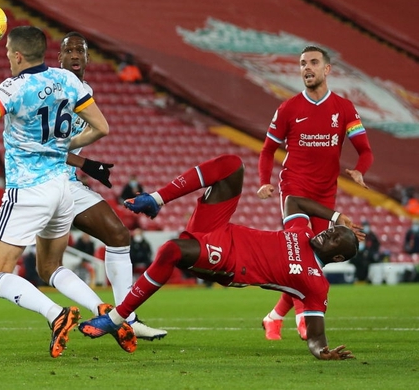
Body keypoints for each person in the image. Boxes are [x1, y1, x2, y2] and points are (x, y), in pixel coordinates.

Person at [0, 31, 165, 343]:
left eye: (8, 50)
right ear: (55, 56)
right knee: (37, 261)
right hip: (61, 190)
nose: (76, 57)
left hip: (29, 189)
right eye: (70, 51)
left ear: (17, 55)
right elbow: (101, 128)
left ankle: (61, 314)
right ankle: (109, 312)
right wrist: (72, 156)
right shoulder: (69, 84)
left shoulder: (14, 88)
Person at [79, 154, 362, 360]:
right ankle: (157, 198)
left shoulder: (315, 282)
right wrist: (336, 216)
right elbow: (293, 201)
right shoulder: (301, 230)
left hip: (229, 262)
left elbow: (316, 335)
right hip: (219, 229)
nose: (328, 233)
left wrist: (321, 351)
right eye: (332, 230)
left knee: (171, 250)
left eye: (335, 237)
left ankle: (117, 318)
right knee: (232, 165)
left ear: (336, 256)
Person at [257, 45, 373, 341]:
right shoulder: (288, 108)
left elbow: (365, 150)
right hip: (294, 189)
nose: (306, 68)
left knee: (316, 262)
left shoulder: (344, 108)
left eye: (312, 62)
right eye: (301, 63)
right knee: (299, 254)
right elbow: (268, 149)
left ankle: (273, 317)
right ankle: (302, 319)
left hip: (325, 194)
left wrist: (360, 168)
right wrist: (264, 180)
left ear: (327, 69)